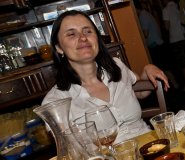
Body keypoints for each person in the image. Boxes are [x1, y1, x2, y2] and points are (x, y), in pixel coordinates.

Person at [42, 10, 170, 138]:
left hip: (148, 146)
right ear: (58, 47)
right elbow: (68, 149)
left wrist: (147, 69)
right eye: (71, 34)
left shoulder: (116, 66)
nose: (83, 38)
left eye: (88, 31)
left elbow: (140, 92)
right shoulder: (55, 101)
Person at [162, 0, 185, 92]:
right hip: (184, 36)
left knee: (181, 63)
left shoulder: (166, 10)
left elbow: (167, 27)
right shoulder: (178, 6)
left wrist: (163, 26)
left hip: (175, 39)